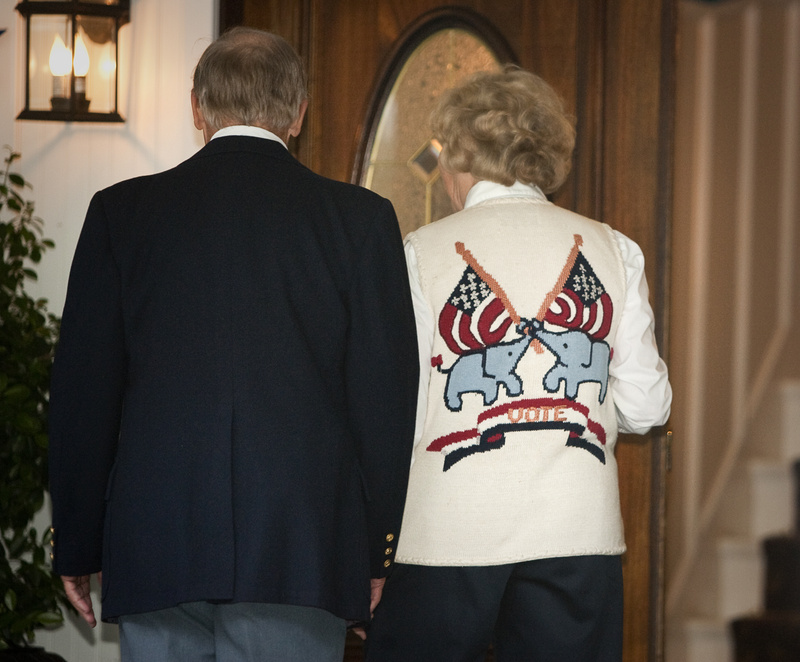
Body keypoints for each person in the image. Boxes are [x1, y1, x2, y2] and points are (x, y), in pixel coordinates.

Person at [47, 27, 418, 662]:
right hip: (301, 553)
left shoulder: (120, 214)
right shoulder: (361, 220)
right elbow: (384, 403)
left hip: (156, 544)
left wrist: (78, 543)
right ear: (299, 113)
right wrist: (374, 548)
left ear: (198, 106)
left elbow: (83, 396)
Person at [364, 65, 672, 662]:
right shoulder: (614, 248)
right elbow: (647, 406)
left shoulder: (418, 253)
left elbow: (400, 408)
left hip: (445, 536)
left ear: (460, 156)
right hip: (577, 535)